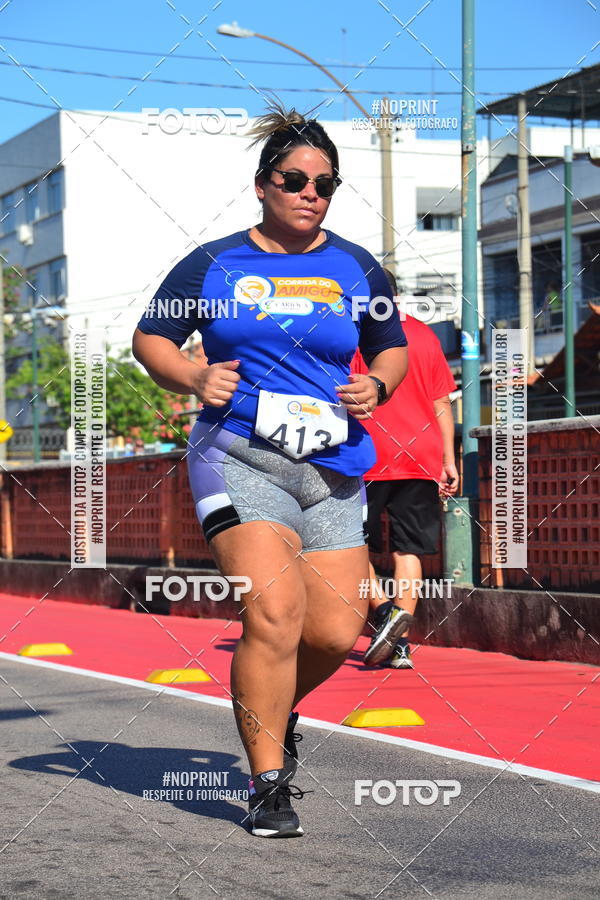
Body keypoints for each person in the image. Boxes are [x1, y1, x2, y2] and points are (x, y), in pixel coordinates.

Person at [132, 102, 408, 838]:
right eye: (294, 178)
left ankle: (274, 711)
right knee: (274, 613)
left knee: (336, 630)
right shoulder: (215, 262)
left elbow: (393, 347)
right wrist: (192, 376)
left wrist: (376, 384)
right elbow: (151, 336)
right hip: (239, 456)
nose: (310, 192)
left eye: (325, 183)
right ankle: (266, 780)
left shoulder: (357, 266)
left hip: (331, 468)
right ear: (263, 185)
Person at [352, 269, 458, 669]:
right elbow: (441, 402)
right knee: (408, 549)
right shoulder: (426, 336)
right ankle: (399, 640)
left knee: (349, 542)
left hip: (367, 455)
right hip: (422, 455)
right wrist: (449, 458)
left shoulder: (359, 336)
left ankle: (383, 615)